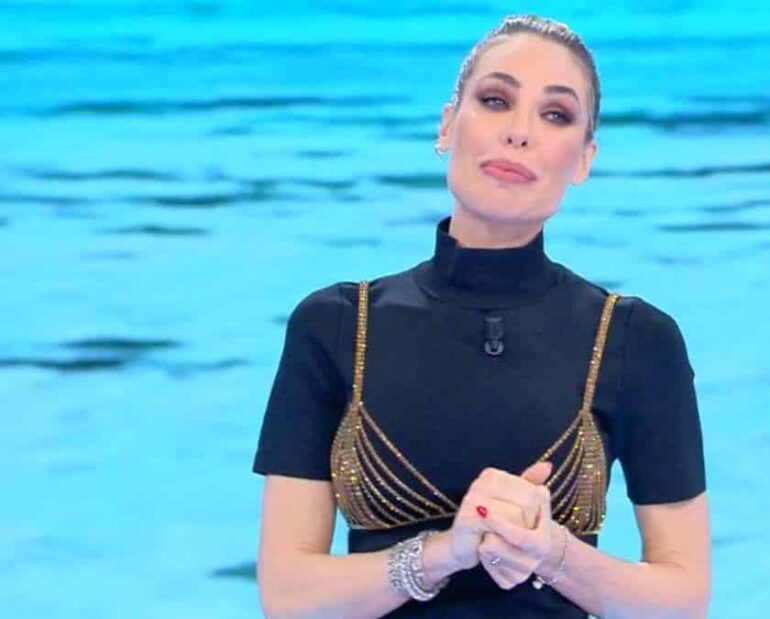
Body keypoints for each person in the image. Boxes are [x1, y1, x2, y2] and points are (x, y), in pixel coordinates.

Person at [251, 14, 710, 618]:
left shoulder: (637, 339)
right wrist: (443, 554)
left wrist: (552, 553)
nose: (519, 133)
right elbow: (287, 596)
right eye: (496, 100)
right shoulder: (336, 325)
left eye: (556, 115)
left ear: (583, 160)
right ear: (448, 124)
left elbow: (681, 601)